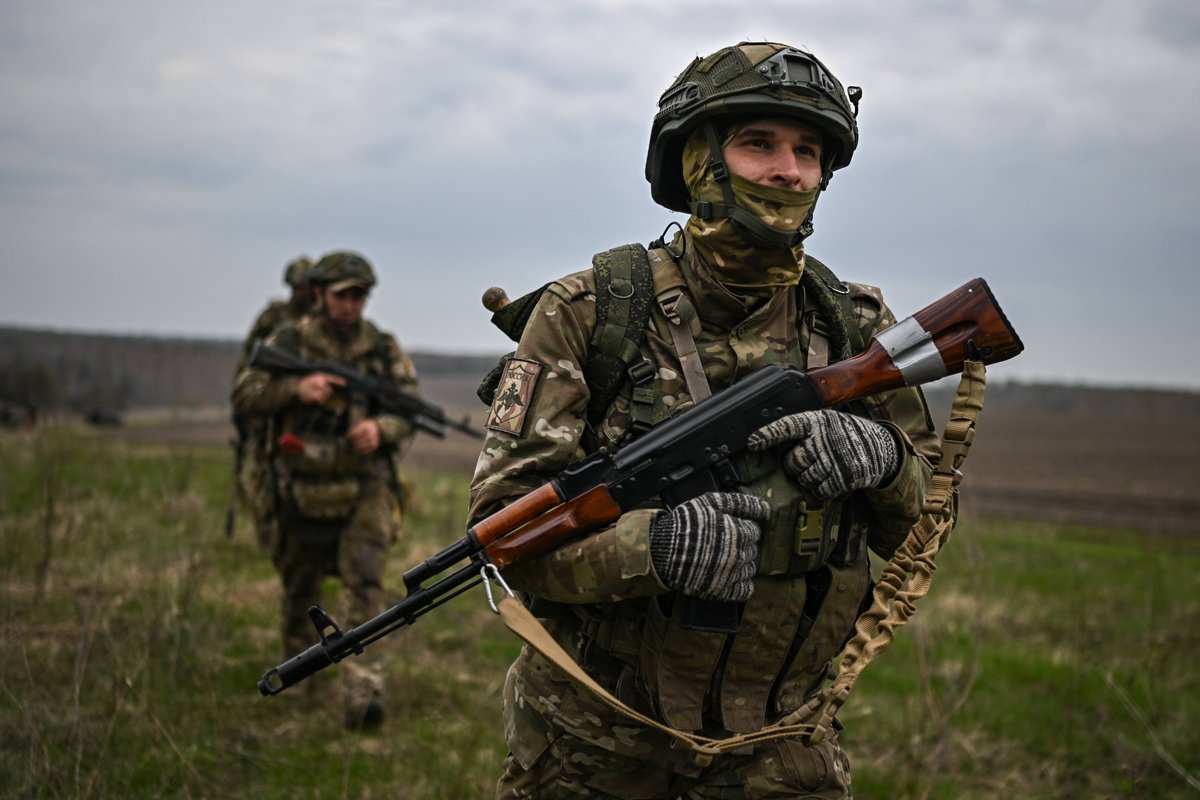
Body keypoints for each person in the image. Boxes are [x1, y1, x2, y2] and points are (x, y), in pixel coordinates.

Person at [468, 41, 943, 798]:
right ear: (697, 160)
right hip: (597, 741)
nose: (789, 171)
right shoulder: (590, 312)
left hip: (786, 743)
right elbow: (506, 531)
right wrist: (649, 546)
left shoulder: (852, 324)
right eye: (759, 143)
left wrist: (884, 462)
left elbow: (922, 529)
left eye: (807, 151)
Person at [232, 250, 419, 729]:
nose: (351, 305)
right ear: (320, 295)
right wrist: (296, 389)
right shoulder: (289, 341)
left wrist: (382, 430)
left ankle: (362, 690)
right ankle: (297, 680)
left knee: (365, 583)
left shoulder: (381, 347)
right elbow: (245, 396)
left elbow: (409, 407)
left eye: (359, 296)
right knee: (301, 589)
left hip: (364, 485)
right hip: (299, 486)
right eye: (342, 296)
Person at [232, 255, 319, 548]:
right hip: (271, 409)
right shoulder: (276, 321)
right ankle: (271, 538)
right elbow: (250, 366)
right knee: (261, 480)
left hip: (305, 420)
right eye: (300, 286)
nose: (304, 292)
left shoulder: (322, 324)